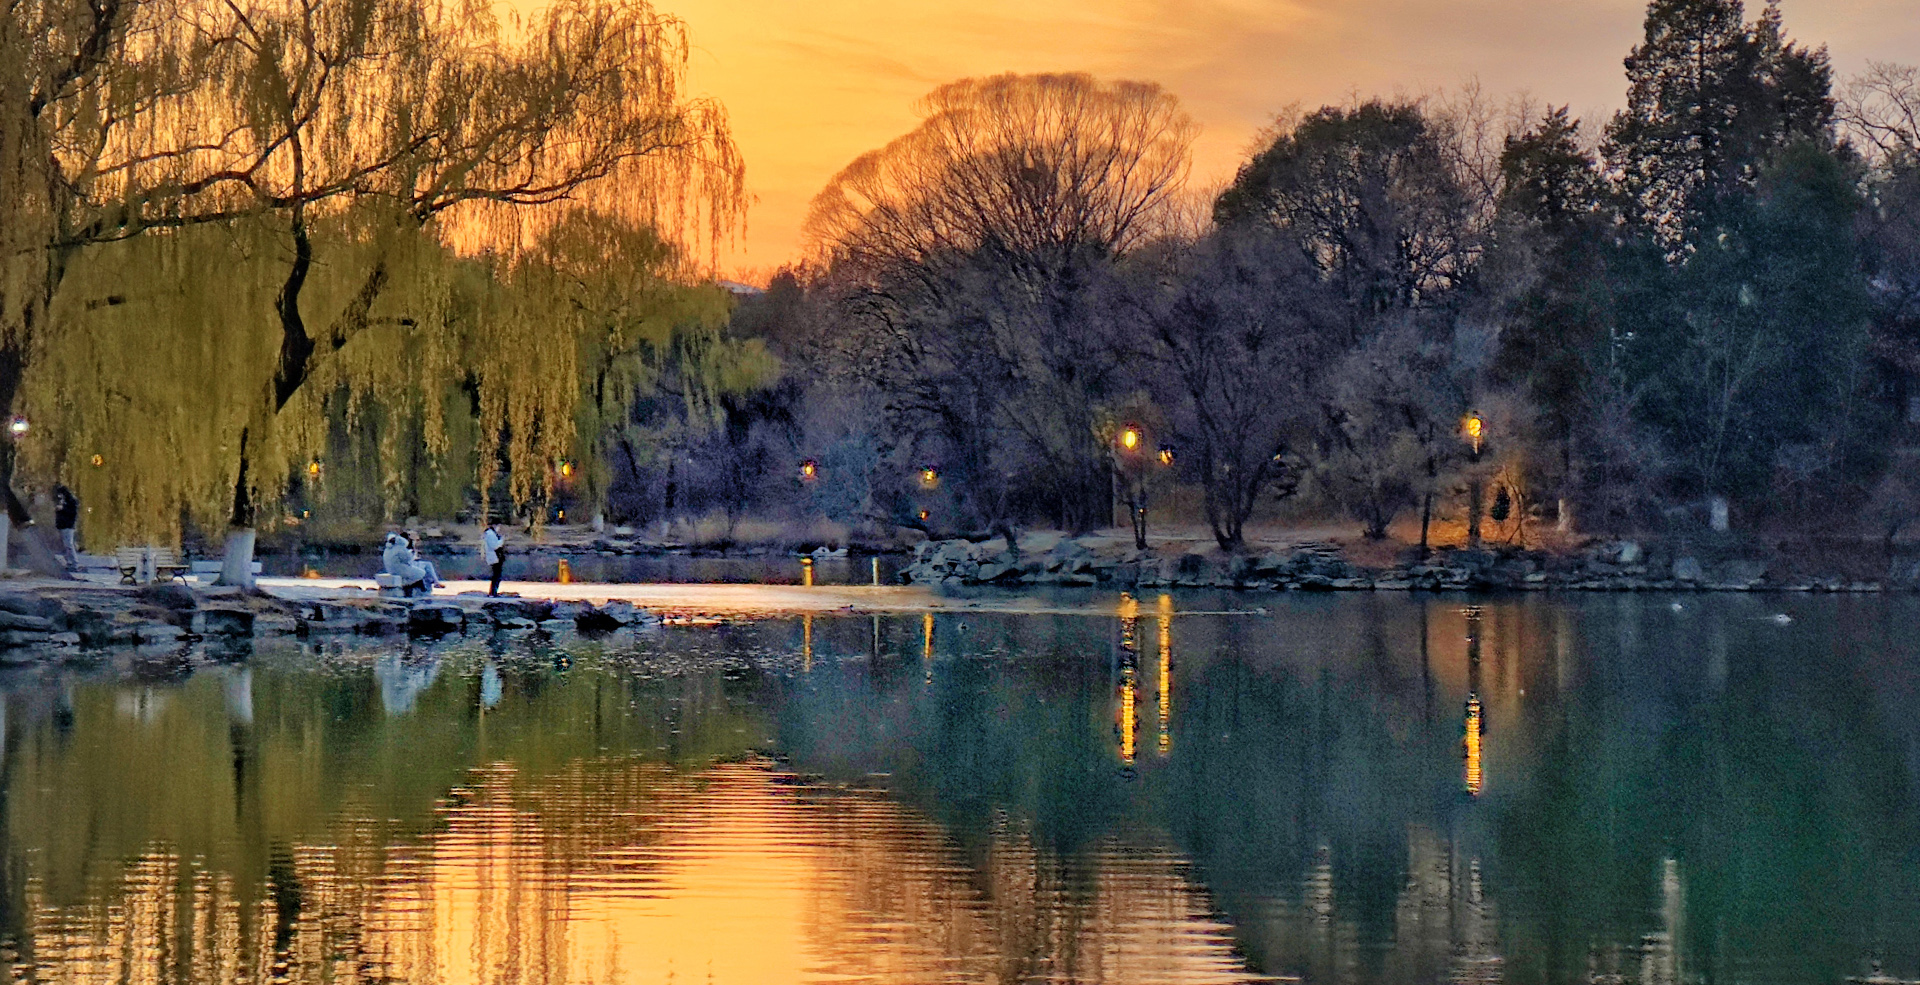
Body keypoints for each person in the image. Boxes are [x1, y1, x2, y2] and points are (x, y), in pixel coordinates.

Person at [52, 484, 79, 569]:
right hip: (62, 525)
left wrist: (63, 509)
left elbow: (73, 512)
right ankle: (69, 561)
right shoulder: (61, 501)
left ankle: (75, 562)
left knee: (69, 544)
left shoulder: (71, 501)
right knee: (65, 545)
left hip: (68, 525)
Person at [482, 522, 506, 597]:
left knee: (497, 575)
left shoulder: (491, 533)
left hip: (496, 557)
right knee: (496, 576)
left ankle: (494, 592)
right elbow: (494, 546)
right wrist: (501, 540)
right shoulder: (490, 534)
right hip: (494, 557)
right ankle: (493, 592)